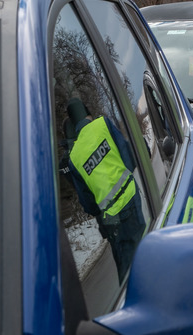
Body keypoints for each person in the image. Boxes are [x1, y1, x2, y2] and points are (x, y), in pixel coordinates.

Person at [59, 98, 146, 280]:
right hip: (130, 200)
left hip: (110, 219)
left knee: (125, 264)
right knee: (142, 254)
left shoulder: (73, 157)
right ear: (88, 114)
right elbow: (127, 157)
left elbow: (88, 203)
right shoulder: (103, 124)